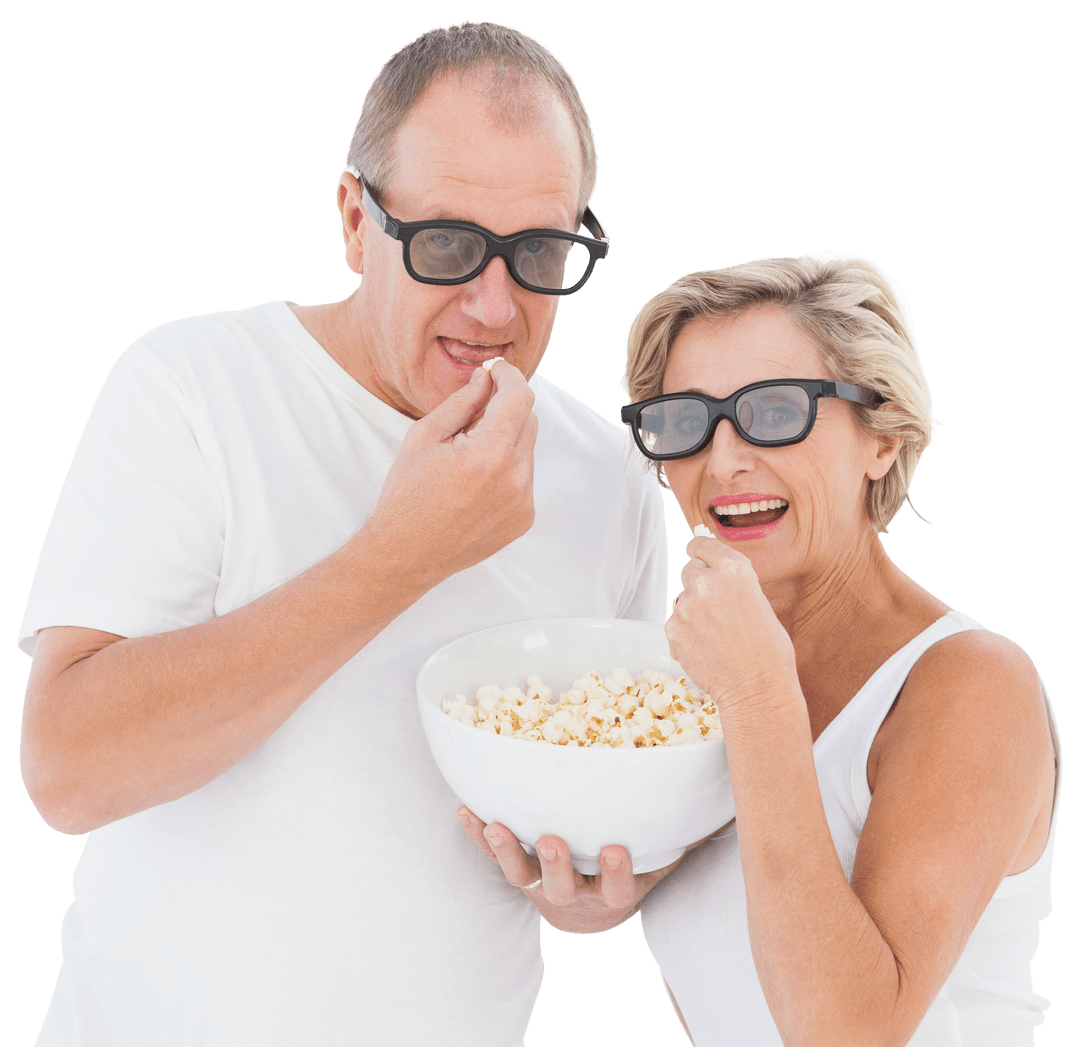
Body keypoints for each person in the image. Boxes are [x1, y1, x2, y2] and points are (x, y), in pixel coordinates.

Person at [16, 21, 667, 1046]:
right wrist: (400, 556)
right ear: (356, 220)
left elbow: (605, 822)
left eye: (540, 252)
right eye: (449, 244)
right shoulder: (192, 387)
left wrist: (592, 895)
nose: (495, 305)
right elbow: (67, 770)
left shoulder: (612, 481)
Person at [459, 252, 1061, 1045]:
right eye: (683, 419)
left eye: (776, 409)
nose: (723, 459)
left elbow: (843, 1033)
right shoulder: (691, 682)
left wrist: (758, 696)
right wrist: (591, 897)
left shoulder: (972, 685)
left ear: (882, 435)